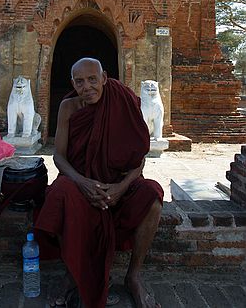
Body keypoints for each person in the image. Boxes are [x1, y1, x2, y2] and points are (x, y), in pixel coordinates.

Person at [34, 58, 164, 308]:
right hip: (80, 184)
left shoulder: (123, 101)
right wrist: (82, 182)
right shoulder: (68, 107)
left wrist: (120, 188)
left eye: (93, 79)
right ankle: (71, 275)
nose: (87, 87)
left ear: (104, 77)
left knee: (152, 195)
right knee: (59, 192)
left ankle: (133, 276)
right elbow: (58, 156)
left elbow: (139, 160)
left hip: (118, 185)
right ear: (73, 83)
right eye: (80, 82)